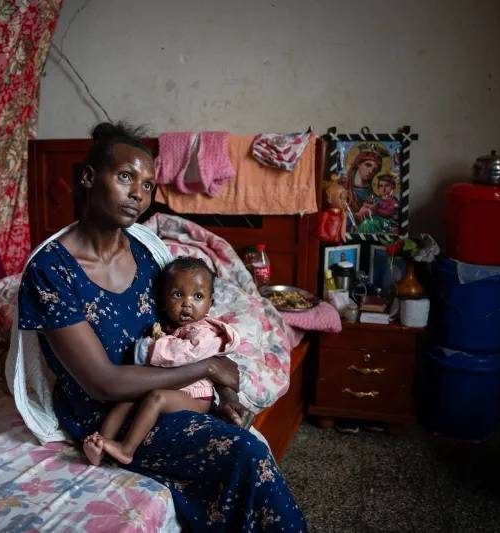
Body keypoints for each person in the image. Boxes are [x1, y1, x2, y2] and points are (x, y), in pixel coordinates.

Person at [17, 122, 307, 532]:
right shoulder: (51, 271)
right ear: (88, 178)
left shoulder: (146, 251)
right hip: (110, 413)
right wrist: (209, 368)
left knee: (239, 442)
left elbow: (181, 331)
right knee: (246, 454)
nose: (138, 193)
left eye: (148, 185)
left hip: (166, 394)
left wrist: (223, 393)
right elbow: (102, 383)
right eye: (125, 176)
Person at [82, 256, 240, 466]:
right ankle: (100, 444)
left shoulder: (205, 331)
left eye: (198, 296)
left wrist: (150, 348)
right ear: (164, 300)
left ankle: (127, 449)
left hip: (197, 397)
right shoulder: (170, 328)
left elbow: (183, 354)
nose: (187, 303)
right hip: (172, 385)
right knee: (126, 398)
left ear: (210, 303)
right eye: (178, 295)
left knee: (156, 398)